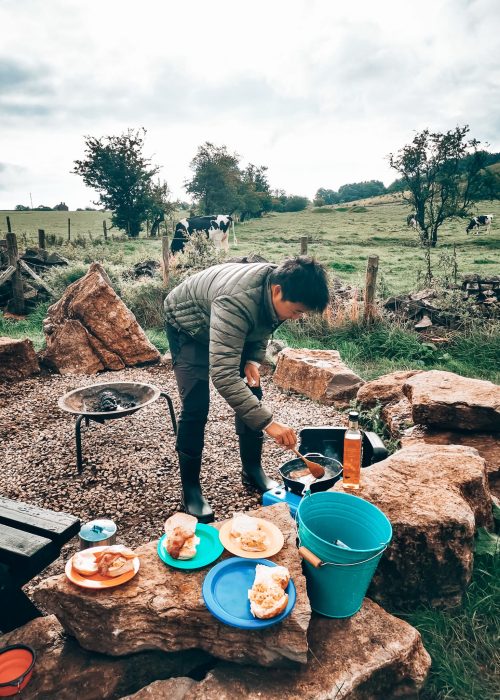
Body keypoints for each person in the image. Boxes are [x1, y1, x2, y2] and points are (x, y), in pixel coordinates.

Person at [164, 256, 330, 523]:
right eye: (298, 311)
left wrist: (253, 359)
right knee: (196, 405)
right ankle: (191, 491)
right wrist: (269, 423)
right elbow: (223, 375)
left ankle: (252, 469)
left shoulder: (276, 290)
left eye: (303, 313)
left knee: (253, 391)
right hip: (189, 324)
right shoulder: (236, 301)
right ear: (277, 291)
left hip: (224, 321)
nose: (298, 318)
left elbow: (264, 324)